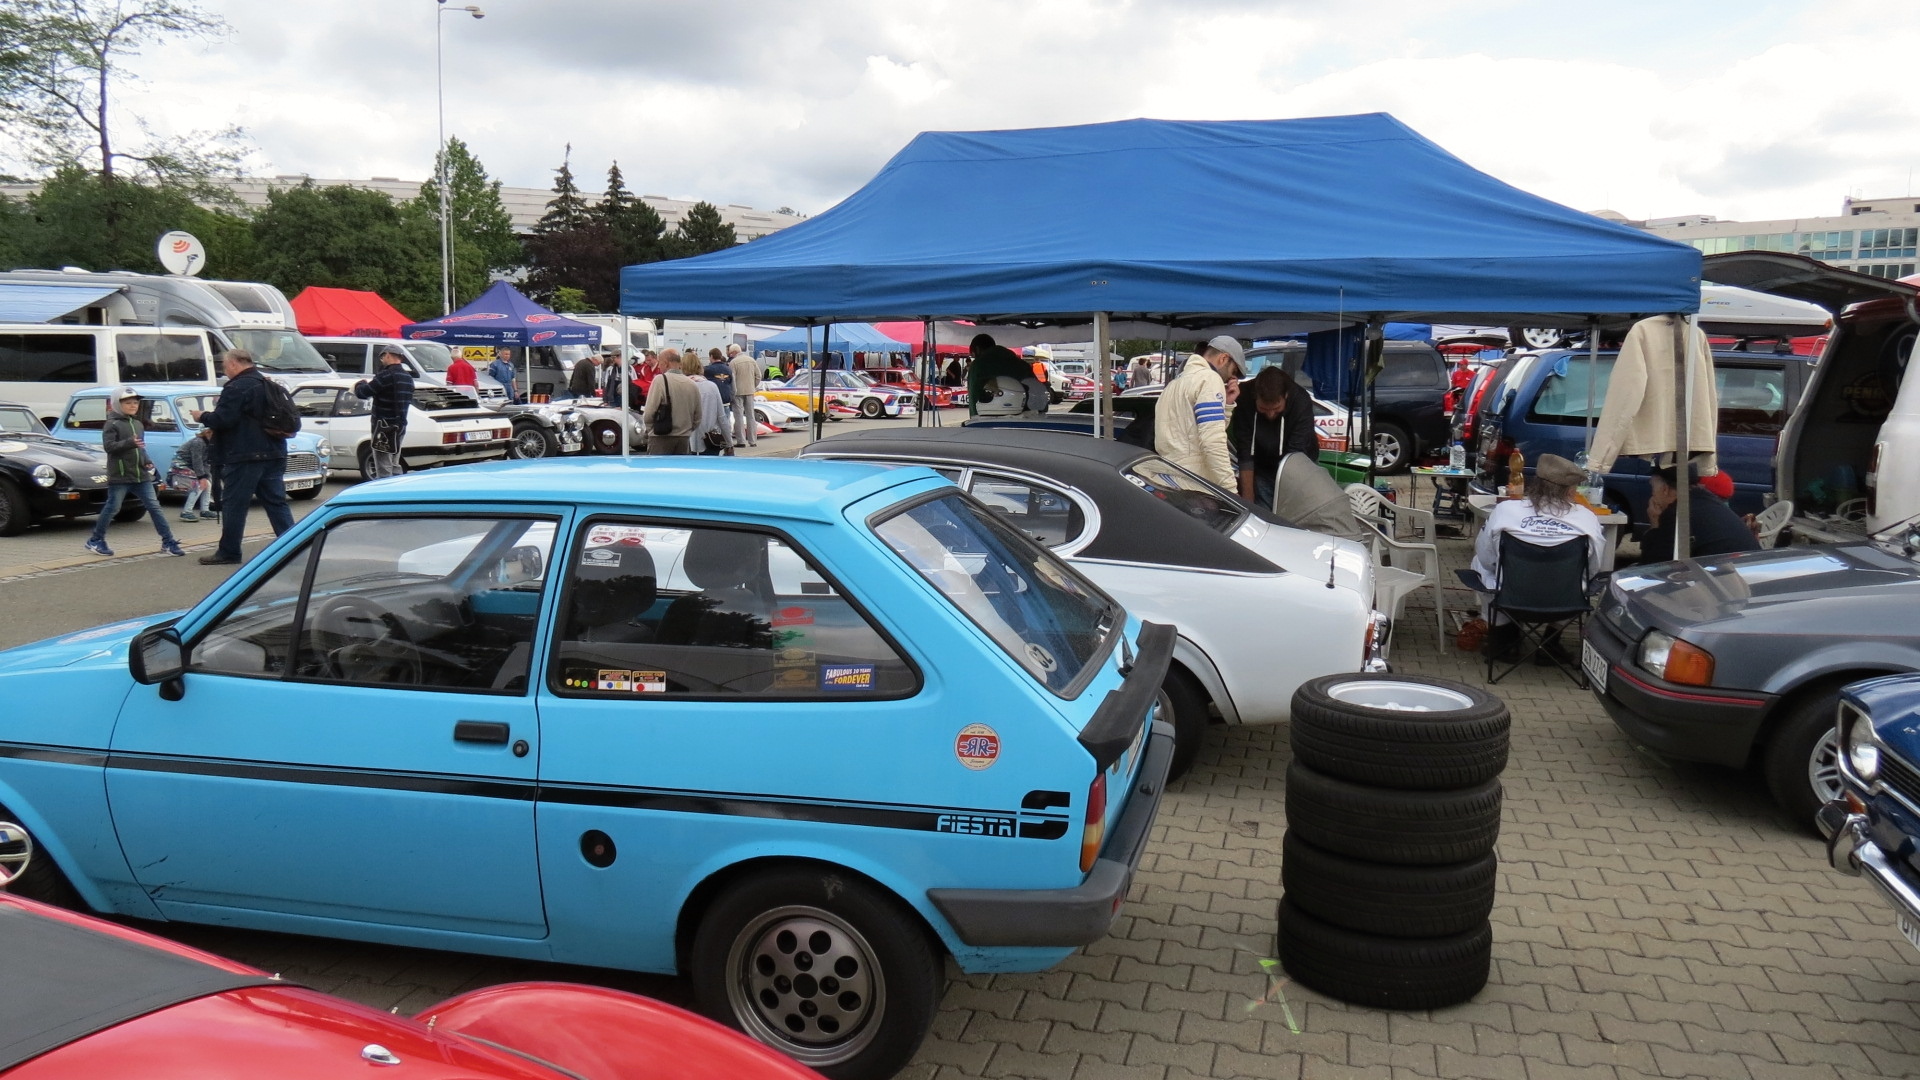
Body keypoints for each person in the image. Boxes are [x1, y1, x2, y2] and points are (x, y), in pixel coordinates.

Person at [1467, 453, 1605, 657]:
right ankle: (1550, 642)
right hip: (1564, 602)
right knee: (1580, 580)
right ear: (1570, 491)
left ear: (1535, 484)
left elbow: (1486, 558)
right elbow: (1593, 567)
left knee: (1480, 564)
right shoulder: (1587, 518)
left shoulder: (1505, 510)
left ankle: (1504, 638)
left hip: (1510, 597)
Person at [193, 348, 296, 565]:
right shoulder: (269, 384)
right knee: (277, 503)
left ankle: (229, 552)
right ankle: (294, 546)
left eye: (225, 367)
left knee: (234, 505)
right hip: (275, 452)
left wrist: (203, 416)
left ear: (233, 364)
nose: (225, 371)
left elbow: (223, 419)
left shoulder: (237, 387)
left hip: (244, 455)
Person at [84, 388, 185, 558]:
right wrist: (129, 443)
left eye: (135, 402)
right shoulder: (111, 424)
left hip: (140, 475)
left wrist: (146, 460)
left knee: (155, 507)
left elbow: (140, 447)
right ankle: (96, 540)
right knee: (112, 508)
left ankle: (168, 541)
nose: (133, 406)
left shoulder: (138, 424)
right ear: (117, 404)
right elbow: (109, 447)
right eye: (128, 403)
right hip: (120, 475)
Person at [1230, 367, 1320, 508]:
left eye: (1277, 409)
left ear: (1286, 396)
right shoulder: (1245, 397)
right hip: (1261, 465)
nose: (1270, 415)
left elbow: (1296, 454)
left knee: (1292, 509)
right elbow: (1245, 449)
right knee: (1261, 510)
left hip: (1298, 463)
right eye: (1263, 409)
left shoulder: (1300, 401)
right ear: (1255, 397)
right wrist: (1248, 501)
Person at [1157, 336, 1239, 489]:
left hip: (1169, 478)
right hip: (1196, 481)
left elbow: (1199, 430)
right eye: (1233, 371)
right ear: (1223, 358)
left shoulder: (1173, 385)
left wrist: (1226, 405)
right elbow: (1213, 441)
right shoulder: (1210, 379)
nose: (1232, 378)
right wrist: (1230, 489)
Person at [1638, 463, 1761, 563]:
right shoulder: (1705, 499)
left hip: (1731, 577)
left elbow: (1653, 564)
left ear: (1664, 489)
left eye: (1653, 487)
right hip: (1748, 568)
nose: (1652, 494)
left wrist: (1655, 524)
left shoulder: (1679, 513)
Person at [354, 343, 415, 479]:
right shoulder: (408, 378)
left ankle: (385, 489)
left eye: (382, 358)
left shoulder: (385, 376)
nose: (382, 361)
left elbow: (363, 393)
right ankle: (397, 487)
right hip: (400, 426)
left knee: (383, 467)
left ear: (387, 355)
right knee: (394, 463)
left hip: (383, 428)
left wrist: (360, 383)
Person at [966, 333, 1046, 416]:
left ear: (977, 349)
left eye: (973, 355)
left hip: (989, 420)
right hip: (1024, 419)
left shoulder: (978, 365)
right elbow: (1039, 398)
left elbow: (974, 399)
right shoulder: (1022, 365)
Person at [642, 347, 699, 455]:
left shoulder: (659, 380)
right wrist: (686, 430)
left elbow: (649, 413)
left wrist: (650, 431)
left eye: (660, 363)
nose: (659, 366)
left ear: (666, 363)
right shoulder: (692, 384)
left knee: (659, 466)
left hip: (660, 437)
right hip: (684, 439)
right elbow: (698, 416)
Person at [688, 352, 732, 456]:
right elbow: (721, 417)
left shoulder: (681, 386)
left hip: (687, 440)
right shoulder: (711, 386)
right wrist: (729, 443)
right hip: (709, 438)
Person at [172, 426, 214, 522]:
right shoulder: (198, 442)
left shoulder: (208, 443)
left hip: (192, 466)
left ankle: (205, 510)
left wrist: (206, 476)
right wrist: (201, 477)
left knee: (207, 484)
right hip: (181, 465)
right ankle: (186, 512)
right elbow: (197, 461)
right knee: (198, 485)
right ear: (207, 432)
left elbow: (206, 462)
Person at [729, 343, 760, 448]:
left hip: (738, 392)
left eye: (731, 353)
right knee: (751, 416)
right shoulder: (752, 360)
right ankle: (753, 440)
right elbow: (758, 376)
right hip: (750, 391)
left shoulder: (733, 362)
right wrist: (753, 386)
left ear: (734, 352)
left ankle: (741, 441)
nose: (730, 355)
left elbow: (732, 379)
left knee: (738, 417)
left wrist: (733, 392)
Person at [703, 347, 735, 412]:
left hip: (713, 403)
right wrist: (731, 398)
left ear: (711, 356)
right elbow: (733, 387)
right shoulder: (728, 369)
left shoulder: (707, 370)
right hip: (725, 401)